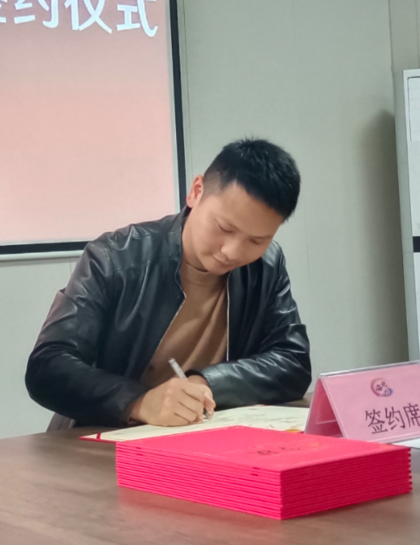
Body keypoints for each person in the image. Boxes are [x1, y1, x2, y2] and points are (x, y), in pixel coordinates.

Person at [25, 138, 311, 430]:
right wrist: (139, 402)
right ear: (196, 192)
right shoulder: (115, 257)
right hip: (102, 439)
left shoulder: (266, 266)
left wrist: (207, 382)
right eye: (225, 228)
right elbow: (48, 366)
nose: (233, 252)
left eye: (257, 241)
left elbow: (293, 362)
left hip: (201, 438)